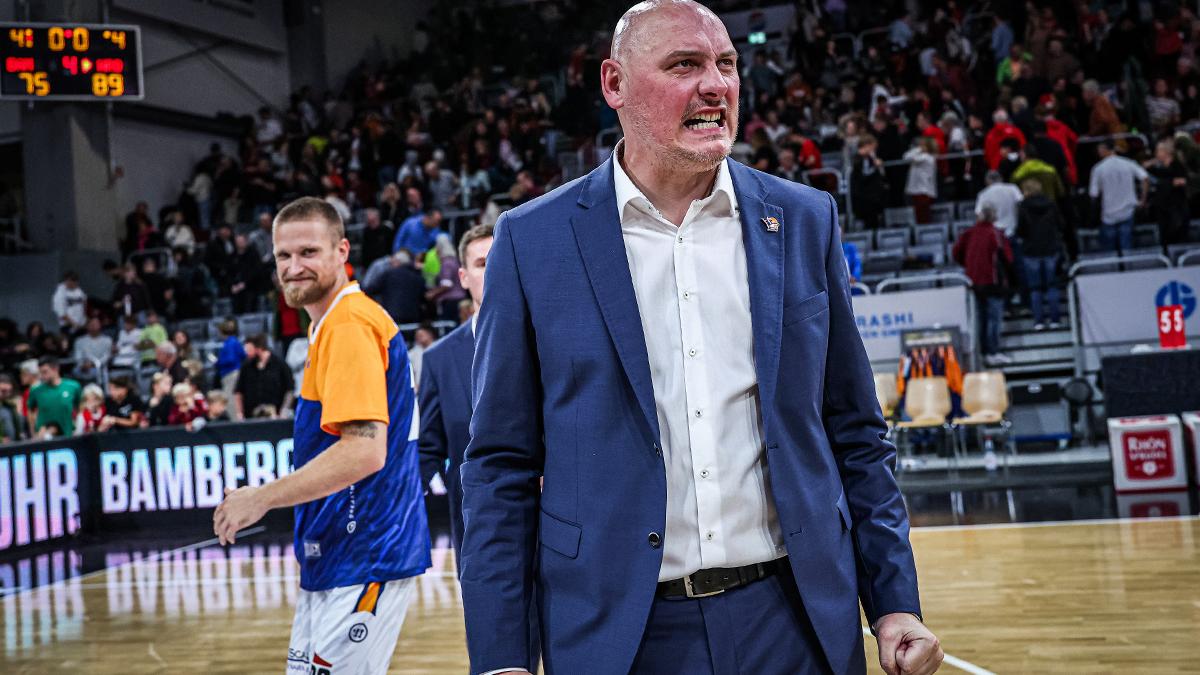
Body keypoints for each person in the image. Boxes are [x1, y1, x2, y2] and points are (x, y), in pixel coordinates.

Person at [460, 3, 941, 675]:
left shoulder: (803, 220)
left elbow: (856, 431)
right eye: (685, 65)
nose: (716, 85)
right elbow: (499, 467)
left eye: (727, 64)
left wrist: (893, 603)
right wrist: (502, 656)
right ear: (614, 84)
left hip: (797, 620)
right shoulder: (532, 240)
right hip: (618, 631)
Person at [214, 197, 430, 675]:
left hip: (365, 551)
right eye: (283, 257)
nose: (294, 267)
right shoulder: (329, 325)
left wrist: (263, 498)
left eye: (308, 252)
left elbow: (364, 450)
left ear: (342, 251)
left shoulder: (349, 324)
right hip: (340, 555)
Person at [418, 224, 492, 568]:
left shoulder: (554, 341)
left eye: (501, 259)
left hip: (559, 533)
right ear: (463, 277)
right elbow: (427, 450)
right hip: (477, 534)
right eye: (481, 263)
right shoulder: (439, 359)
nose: (493, 270)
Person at [953, 205, 1014, 364]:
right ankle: (992, 352)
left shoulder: (968, 233)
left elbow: (956, 253)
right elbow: (1007, 258)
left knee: (980, 318)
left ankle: (982, 352)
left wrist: (968, 266)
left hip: (973, 282)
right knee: (994, 318)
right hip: (993, 282)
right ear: (994, 217)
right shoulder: (996, 234)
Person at [1015, 180, 1064, 329]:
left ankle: (1038, 321)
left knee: (1035, 288)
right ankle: (1055, 319)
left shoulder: (1023, 207)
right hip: (1050, 248)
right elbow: (1061, 224)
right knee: (1052, 285)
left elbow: (1021, 230)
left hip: (1031, 251)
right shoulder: (1051, 204)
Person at [1089, 142, 1149, 252]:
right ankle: (1129, 268)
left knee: (1110, 252)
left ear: (1104, 150)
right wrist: (1142, 200)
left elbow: (1094, 194)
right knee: (1127, 248)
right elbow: (1144, 178)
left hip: (1108, 213)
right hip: (1127, 211)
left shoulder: (1098, 169)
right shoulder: (1128, 163)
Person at [234, 334, 293, 420]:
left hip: (274, 414)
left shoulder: (280, 364)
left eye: (249, 349)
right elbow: (238, 391)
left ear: (258, 348)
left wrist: (284, 411)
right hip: (251, 415)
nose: (246, 352)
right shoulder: (246, 366)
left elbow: (290, 390)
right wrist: (239, 413)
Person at [26, 357, 82, 437]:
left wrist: (77, 428)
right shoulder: (36, 390)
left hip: (68, 434)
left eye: (45, 372)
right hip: (44, 436)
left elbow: (79, 408)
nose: (42, 376)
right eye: (40, 373)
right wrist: (33, 433)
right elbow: (30, 411)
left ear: (55, 369)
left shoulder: (73, 386)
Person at [974, 171, 1023, 238]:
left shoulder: (983, 194)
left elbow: (979, 215)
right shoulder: (1013, 188)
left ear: (987, 181)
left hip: (995, 233)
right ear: (1001, 178)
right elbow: (1021, 203)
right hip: (1013, 229)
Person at [51, 271, 88, 337]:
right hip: (68, 326)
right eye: (72, 282)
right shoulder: (60, 293)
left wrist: (85, 320)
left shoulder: (78, 290)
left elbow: (84, 301)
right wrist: (74, 324)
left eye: (76, 282)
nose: (75, 284)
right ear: (67, 281)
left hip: (81, 325)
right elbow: (61, 314)